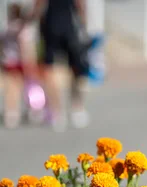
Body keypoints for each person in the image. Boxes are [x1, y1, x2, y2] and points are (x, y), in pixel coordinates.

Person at [31, 0, 89, 131]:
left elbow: (38, 7)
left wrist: (32, 21)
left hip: (51, 27)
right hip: (68, 27)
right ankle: (76, 108)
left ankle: (58, 113)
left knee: (51, 71)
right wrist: (84, 26)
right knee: (76, 69)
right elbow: (81, 5)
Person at [0, 3, 24, 128]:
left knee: (9, 88)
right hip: (18, 61)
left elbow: (1, 45)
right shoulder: (21, 28)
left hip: (7, 61)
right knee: (16, 88)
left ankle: (10, 112)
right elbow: (24, 46)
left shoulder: (6, 28)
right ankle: (15, 112)